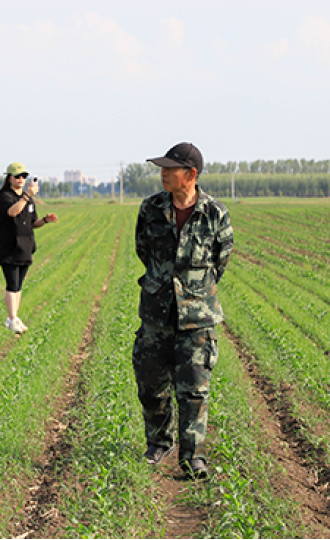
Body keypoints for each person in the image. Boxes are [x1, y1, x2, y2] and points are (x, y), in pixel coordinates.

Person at [131, 142, 233, 480]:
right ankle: (159, 442)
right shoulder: (150, 209)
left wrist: (193, 291)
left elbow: (220, 260)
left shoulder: (215, 214)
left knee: (194, 389)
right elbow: (143, 250)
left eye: (169, 169)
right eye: (161, 168)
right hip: (156, 313)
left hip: (197, 317)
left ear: (190, 174)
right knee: (151, 383)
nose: (162, 173)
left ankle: (193, 456)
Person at [0, 162, 57, 334]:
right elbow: (13, 212)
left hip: (26, 247)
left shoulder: (28, 199)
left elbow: (32, 222)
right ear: (9, 178)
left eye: (24, 176)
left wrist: (44, 220)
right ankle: (12, 318)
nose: (21, 179)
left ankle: (14, 317)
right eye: (17, 176)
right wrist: (27, 195)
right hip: (9, 247)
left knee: (19, 285)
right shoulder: (4, 197)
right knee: (12, 284)